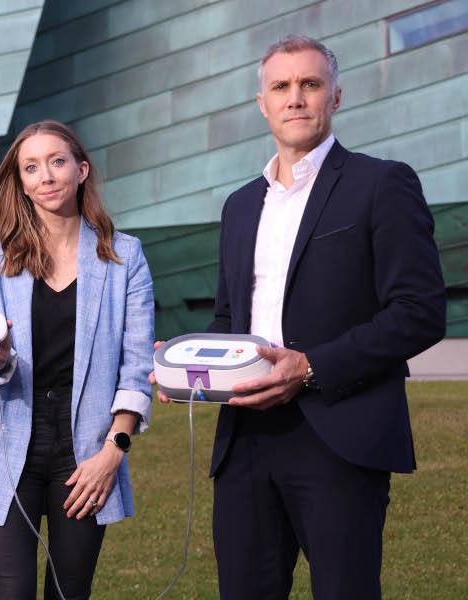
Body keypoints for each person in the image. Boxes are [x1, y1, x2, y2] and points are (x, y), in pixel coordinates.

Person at [152, 35, 446, 599]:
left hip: (339, 430)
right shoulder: (240, 205)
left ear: (335, 95)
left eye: (309, 84)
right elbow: (229, 319)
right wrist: (185, 366)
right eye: (281, 87)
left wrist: (309, 367)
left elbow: (420, 311)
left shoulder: (381, 184)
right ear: (261, 103)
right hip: (244, 440)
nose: (295, 98)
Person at [0, 120, 154, 599]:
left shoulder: (125, 256)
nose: (46, 175)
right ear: (20, 182)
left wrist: (113, 451)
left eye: (57, 161)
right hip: (8, 437)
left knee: (70, 592)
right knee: (10, 593)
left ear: (81, 170)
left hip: (86, 450)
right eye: (31, 167)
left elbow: (137, 365)